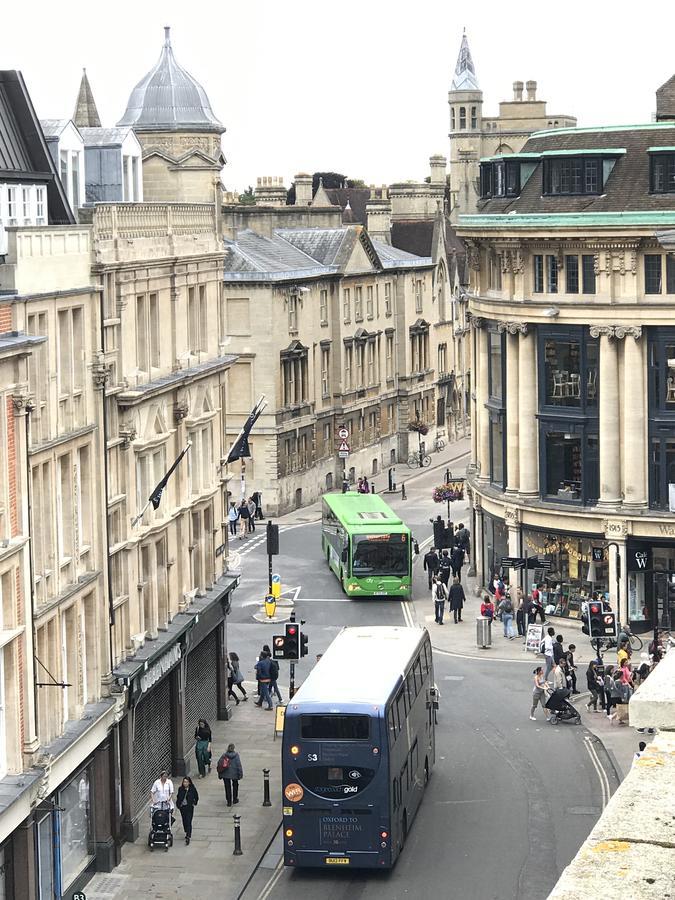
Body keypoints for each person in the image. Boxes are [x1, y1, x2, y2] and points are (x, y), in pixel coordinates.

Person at [217, 743, 243, 807]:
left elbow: (219, 764)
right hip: (234, 774)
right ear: (233, 748)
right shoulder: (236, 755)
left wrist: (220, 774)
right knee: (235, 785)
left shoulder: (224, 755)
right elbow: (239, 765)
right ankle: (235, 799)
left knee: (227, 787)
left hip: (225, 774)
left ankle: (229, 801)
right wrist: (240, 774)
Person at [176, 776, 199, 844]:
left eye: (186, 782)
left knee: (189, 821)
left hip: (189, 807)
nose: (185, 783)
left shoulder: (192, 789)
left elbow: (196, 796)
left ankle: (188, 836)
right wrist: (178, 805)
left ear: (189, 783)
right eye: (184, 782)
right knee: (184, 820)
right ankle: (186, 830)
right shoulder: (180, 789)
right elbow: (178, 797)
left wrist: (194, 802)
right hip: (183, 808)